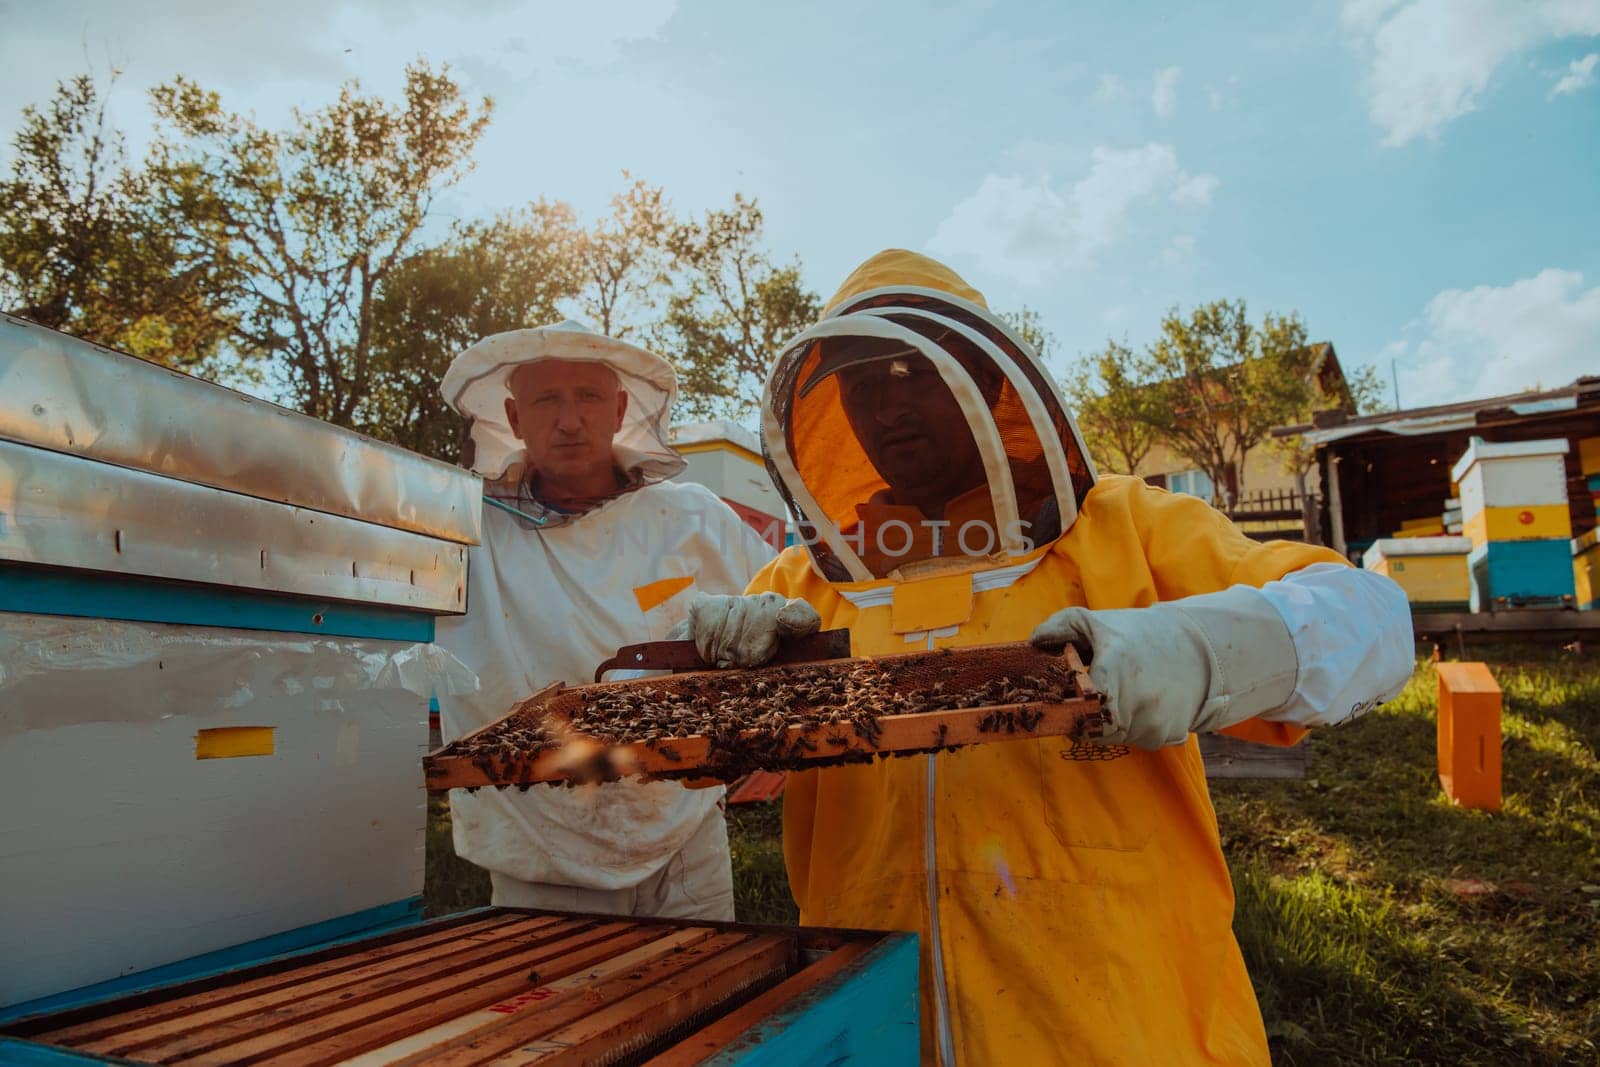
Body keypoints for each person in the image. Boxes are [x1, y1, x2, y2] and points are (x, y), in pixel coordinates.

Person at [681, 251, 1415, 1063]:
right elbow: (717, 769)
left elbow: (1372, 619)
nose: (887, 404)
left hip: (1119, 1026)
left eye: (910, 370)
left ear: (989, 380)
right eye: (861, 384)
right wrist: (709, 685)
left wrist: (1201, 649)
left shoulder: (1122, 526)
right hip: (873, 1019)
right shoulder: (804, 580)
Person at [435, 320, 774, 920]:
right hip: (535, 849)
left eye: (588, 396)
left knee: (707, 999)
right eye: (546, 400)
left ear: (619, 408)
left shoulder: (692, 516)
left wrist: (770, 620)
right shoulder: (463, 532)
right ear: (514, 419)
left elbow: (781, 607)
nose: (569, 420)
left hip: (683, 837)